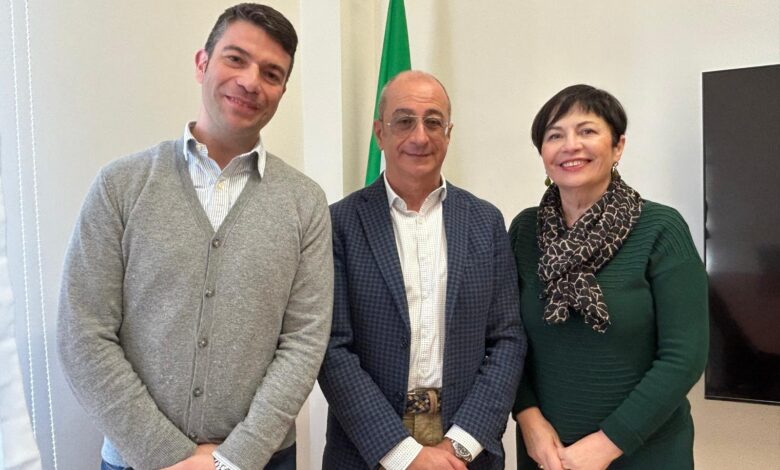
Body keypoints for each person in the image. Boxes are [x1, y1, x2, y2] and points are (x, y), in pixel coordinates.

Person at [57, 4, 333, 469]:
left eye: (271, 73)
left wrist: (233, 459)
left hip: (261, 461)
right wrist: (170, 456)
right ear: (202, 63)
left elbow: (304, 342)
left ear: (282, 91)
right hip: (137, 460)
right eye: (235, 59)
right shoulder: (121, 186)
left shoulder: (304, 202)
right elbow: (83, 333)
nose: (250, 81)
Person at [318, 70, 527, 470]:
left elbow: (507, 339)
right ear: (379, 133)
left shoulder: (485, 222)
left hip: (466, 451)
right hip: (368, 450)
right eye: (404, 121)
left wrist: (460, 445)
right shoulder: (339, 224)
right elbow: (331, 347)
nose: (420, 136)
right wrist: (404, 454)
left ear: (449, 133)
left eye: (433, 122)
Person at [510, 84, 708, 470]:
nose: (571, 145)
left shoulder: (661, 228)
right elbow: (505, 339)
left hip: (646, 453)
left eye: (587, 131)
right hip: (547, 455)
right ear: (543, 153)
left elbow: (684, 356)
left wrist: (605, 445)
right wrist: (528, 419)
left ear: (618, 147)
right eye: (555, 135)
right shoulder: (524, 231)